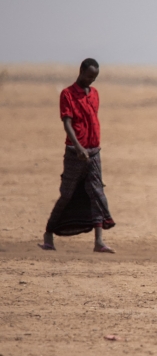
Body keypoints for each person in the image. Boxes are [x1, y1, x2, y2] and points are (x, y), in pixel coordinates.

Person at [39, 58, 116, 253]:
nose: (91, 80)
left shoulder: (95, 94)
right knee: (67, 194)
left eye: (95, 77)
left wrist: (90, 147)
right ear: (81, 71)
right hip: (75, 152)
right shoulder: (67, 94)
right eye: (89, 76)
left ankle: (99, 241)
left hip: (94, 151)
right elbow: (67, 123)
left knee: (96, 193)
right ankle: (48, 233)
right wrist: (78, 146)